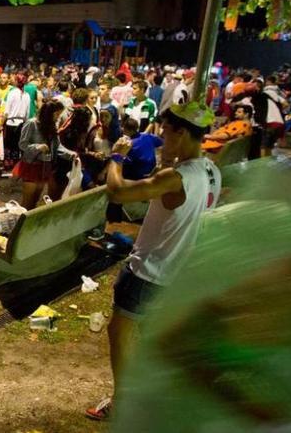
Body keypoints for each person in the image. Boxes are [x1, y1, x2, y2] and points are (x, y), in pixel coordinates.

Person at [86, 102, 221, 421]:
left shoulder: (176, 177)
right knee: (150, 337)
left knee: (121, 332)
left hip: (148, 270)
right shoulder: (211, 171)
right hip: (178, 269)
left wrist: (117, 156)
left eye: (166, 131)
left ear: (183, 132)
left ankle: (124, 402)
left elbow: (117, 191)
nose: (161, 137)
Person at [15, 100, 75, 209]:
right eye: (56, 114)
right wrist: (38, 147)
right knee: (27, 202)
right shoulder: (32, 123)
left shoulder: (52, 126)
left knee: (36, 200)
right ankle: (20, 223)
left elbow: (58, 147)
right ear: (49, 113)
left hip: (45, 166)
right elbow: (22, 144)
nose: (58, 117)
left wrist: (72, 155)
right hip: (31, 165)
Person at [2, 74, 30, 170]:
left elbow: (6, 111)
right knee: (17, 145)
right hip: (21, 123)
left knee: (8, 144)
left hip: (11, 122)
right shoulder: (26, 95)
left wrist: (1, 124)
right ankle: (15, 164)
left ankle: (7, 163)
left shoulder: (12, 93)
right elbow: (27, 113)